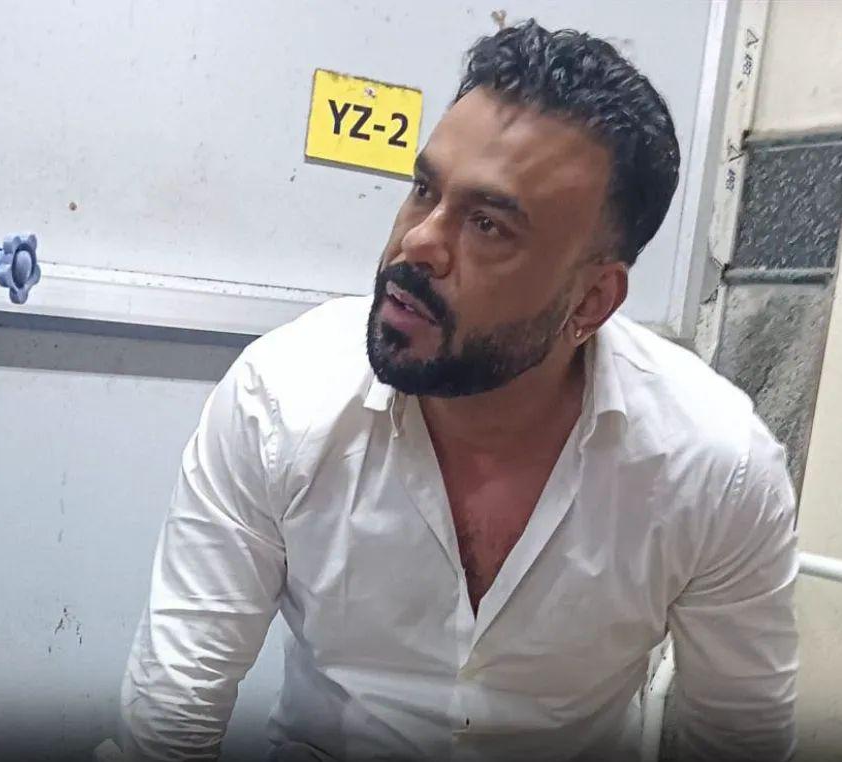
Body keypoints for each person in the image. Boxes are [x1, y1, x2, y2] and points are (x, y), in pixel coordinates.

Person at [116, 20, 798, 762]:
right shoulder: (279, 399)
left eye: (487, 224)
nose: (418, 242)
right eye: (423, 190)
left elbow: (736, 736)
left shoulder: (714, 466)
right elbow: (174, 712)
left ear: (592, 300)